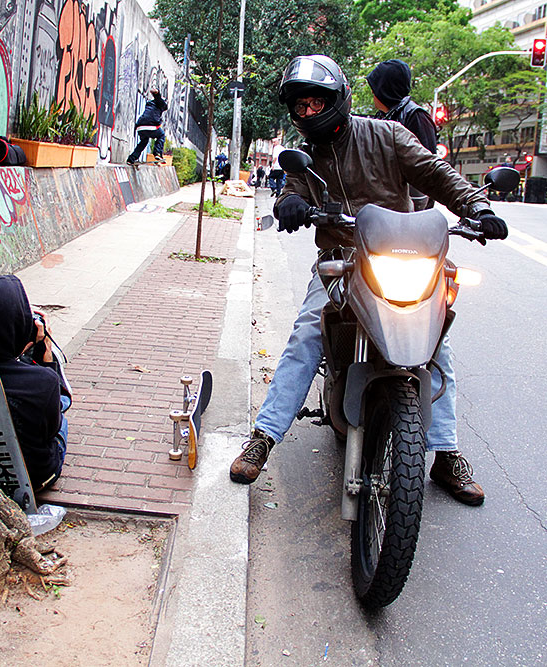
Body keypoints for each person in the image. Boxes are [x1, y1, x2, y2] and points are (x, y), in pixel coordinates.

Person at [229, 55, 509, 506]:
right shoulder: (307, 157)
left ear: (339, 99)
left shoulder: (388, 134)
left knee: (439, 343)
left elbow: (436, 174)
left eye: (317, 102)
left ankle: (447, 454)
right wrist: (289, 206)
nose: (308, 112)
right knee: (306, 335)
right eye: (300, 106)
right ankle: (264, 435)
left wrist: (478, 208)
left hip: (403, 254)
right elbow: (293, 191)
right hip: (342, 257)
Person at [0, 275, 71, 492]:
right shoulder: (42, 381)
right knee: (61, 407)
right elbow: (51, 429)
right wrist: (45, 355)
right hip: (37, 477)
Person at [366, 59, 437, 210]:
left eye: (374, 87)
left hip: (410, 214)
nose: (372, 92)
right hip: (381, 209)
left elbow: (428, 169)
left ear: (383, 88)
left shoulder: (415, 117)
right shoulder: (381, 118)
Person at [127, 87, 168, 165]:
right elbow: (159, 99)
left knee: (144, 141)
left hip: (140, 126)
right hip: (151, 125)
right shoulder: (161, 104)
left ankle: (131, 159)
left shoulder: (149, 104)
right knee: (161, 135)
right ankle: (157, 154)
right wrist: (156, 93)